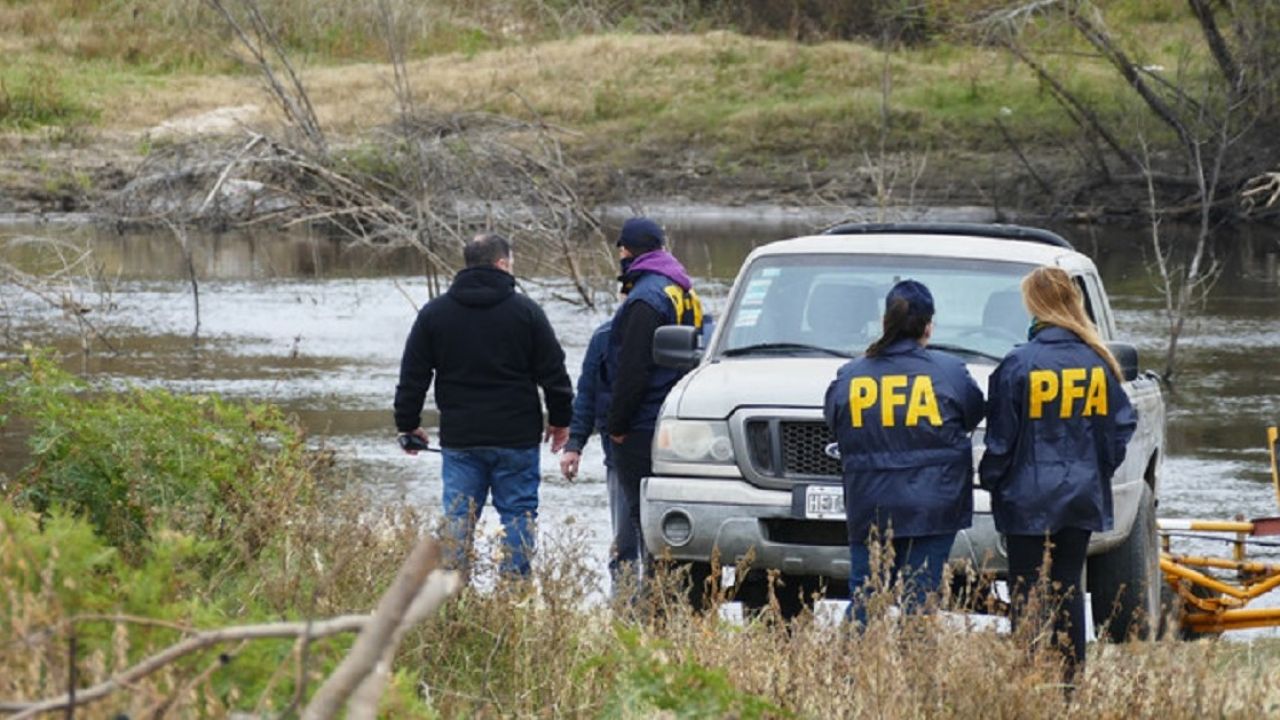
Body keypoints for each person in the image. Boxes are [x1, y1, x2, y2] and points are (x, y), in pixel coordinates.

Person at [979, 266, 1137, 683]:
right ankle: (1070, 678)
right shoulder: (1097, 360)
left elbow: (1001, 439)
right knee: (1068, 586)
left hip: (1026, 495)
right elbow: (1121, 426)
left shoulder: (1018, 363)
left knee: (1026, 589)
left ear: (1035, 305)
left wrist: (991, 478)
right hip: (1080, 492)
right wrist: (1097, 468)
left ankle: (1029, 675)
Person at [394, 233, 573, 577]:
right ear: (502, 263)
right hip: (516, 435)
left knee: (459, 515)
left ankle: (452, 591)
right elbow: (554, 372)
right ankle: (514, 589)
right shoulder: (527, 312)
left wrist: (408, 423)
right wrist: (561, 420)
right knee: (518, 513)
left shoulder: (436, 313)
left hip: (462, 437)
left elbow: (413, 375)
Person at [823, 280, 984, 625]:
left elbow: (835, 423)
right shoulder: (950, 371)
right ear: (928, 326)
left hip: (871, 507)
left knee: (865, 600)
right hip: (934, 508)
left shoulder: (851, 376)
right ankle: (916, 676)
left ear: (886, 323)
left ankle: (853, 676)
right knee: (920, 604)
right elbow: (973, 414)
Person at [605, 217, 702, 573]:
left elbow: (632, 369)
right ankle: (675, 593)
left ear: (626, 250)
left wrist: (617, 423)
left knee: (643, 514)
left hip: (643, 420)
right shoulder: (683, 289)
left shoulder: (645, 299)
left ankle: (655, 597)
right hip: (678, 414)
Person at [560, 319, 639, 588]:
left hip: (668, 455)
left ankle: (659, 612)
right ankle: (624, 614)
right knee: (626, 543)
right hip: (619, 455)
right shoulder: (605, 336)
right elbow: (587, 395)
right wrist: (574, 444)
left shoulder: (687, 329)